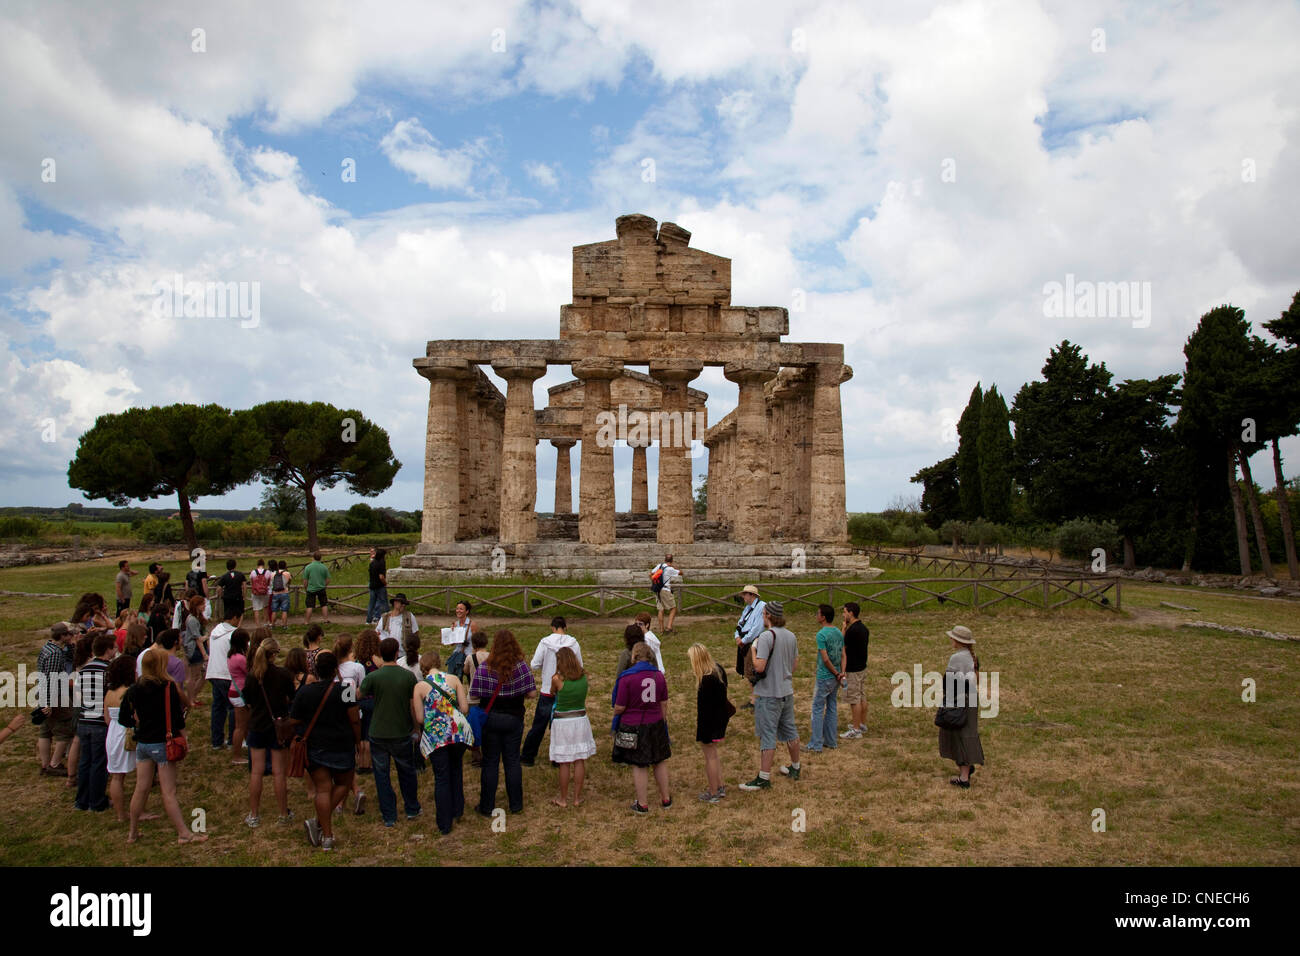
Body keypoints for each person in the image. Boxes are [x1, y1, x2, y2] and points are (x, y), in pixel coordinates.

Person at [118, 649, 208, 846]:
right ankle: (183, 833)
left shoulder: (134, 689)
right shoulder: (168, 688)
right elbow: (177, 718)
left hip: (143, 743)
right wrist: (184, 738)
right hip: (163, 743)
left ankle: (132, 832)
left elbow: (123, 717)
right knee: (169, 791)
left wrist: (136, 722)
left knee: (141, 789)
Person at [293, 652, 361, 852]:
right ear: (335, 671)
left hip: (316, 746)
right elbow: (354, 718)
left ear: (315, 670)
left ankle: (327, 835)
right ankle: (319, 824)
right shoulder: (345, 690)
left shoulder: (305, 692)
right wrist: (358, 741)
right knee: (344, 783)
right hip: (341, 743)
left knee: (323, 789)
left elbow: (295, 719)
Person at [469, 630, 536, 816]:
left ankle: (487, 806)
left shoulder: (485, 668)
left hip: (491, 718)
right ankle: (516, 804)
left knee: (490, 762)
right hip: (514, 718)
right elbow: (531, 693)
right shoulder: (521, 667)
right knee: (512, 761)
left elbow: (474, 694)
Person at [359, 637, 421, 827]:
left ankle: (389, 815)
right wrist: (416, 728)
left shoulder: (373, 677)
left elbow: (357, 695)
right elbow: (412, 706)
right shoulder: (407, 677)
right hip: (401, 730)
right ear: (397, 653)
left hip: (378, 731)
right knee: (406, 772)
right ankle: (411, 808)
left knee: (381, 775)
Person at [739, 601, 801, 790]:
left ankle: (763, 777)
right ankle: (795, 767)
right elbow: (794, 664)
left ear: (769, 616)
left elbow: (759, 666)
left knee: (767, 735)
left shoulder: (766, 637)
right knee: (790, 730)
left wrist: (753, 649)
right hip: (786, 691)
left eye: (764, 613)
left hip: (769, 694)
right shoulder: (791, 636)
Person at [412, 649, 472, 834]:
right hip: (457, 734)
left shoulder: (420, 687)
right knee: (456, 770)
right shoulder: (454, 680)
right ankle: (457, 809)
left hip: (437, 737)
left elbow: (420, 718)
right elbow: (464, 707)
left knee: (441, 777)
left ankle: (444, 823)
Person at [612, 642, 672, 814]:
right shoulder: (659, 676)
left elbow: (620, 706)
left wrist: (616, 714)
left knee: (639, 764)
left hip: (634, 724)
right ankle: (666, 798)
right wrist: (662, 722)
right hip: (656, 722)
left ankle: (642, 803)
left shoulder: (626, 677)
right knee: (659, 760)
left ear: (634, 656)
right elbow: (664, 703)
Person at [243, 637, 295, 827]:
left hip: (257, 725)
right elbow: (292, 696)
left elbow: (247, 700)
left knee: (256, 772)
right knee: (279, 772)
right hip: (277, 725)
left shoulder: (252, 676)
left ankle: (254, 814)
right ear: (273, 655)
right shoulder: (282, 675)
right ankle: (283, 813)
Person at [521, 616, 582, 767]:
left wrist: (546, 666)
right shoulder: (573, 643)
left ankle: (528, 756)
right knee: (561, 725)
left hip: (548, 688)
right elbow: (579, 665)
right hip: (565, 688)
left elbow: (535, 664)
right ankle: (558, 758)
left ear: (553, 627)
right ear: (565, 627)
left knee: (539, 725)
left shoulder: (545, 642)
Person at [549, 646, 595, 807]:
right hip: (580, 718)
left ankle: (563, 798)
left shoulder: (557, 679)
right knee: (579, 759)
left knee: (564, 761)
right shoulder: (583, 677)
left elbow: (552, 692)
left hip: (562, 721)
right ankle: (576, 797)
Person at [74, 631, 115, 812]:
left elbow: (79, 693)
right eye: (114, 648)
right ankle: (97, 801)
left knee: (85, 761)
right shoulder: (109, 671)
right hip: (100, 720)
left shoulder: (84, 670)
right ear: (108, 650)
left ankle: (82, 800)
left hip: (84, 719)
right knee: (99, 763)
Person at [939, 625, 984, 788]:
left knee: (959, 736)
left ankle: (964, 777)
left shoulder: (956, 658)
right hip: (971, 699)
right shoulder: (973, 657)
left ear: (957, 640)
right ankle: (966, 769)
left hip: (959, 700)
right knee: (968, 733)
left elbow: (947, 681)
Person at [688, 643, 732, 803]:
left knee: (710, 757)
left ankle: (713, 792)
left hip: (710, 724)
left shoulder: (705, 680)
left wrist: (702, 732)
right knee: (714, 755)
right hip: (720, 720)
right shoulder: (718, 670)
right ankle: (719, 786)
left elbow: (704, 710)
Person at [36, 622, 77, 778]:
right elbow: (51, 678)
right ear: (62, 636)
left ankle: (45, 765)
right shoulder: (55, 654)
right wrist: (49, 702)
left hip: (44, 693)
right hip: (55, 695)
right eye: (69, 634)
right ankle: (54, 764)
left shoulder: (49, 647)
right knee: (65, 729)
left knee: (45, 729)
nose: (71, 636)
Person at [333, 634, 367, 814]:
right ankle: (354, 792)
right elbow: (361, 690)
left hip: (335, 714)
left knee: (343, 760)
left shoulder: (333, 667)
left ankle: (347, 796)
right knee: (348, 759)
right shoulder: (357, 668)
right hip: (353, 713)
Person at [103, 654, 138, 822]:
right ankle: (138, 810)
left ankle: (120, 815)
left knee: (116, 776)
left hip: (112, 733)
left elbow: (106, 719)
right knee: (141, 775)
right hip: (128, 732)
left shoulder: (109, 692)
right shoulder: (130, 692)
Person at [807, 603, 845, 753]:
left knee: (817, 708)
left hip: (825, 676)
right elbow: (843, 655)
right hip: (836, 677)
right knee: (832, 707)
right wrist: (842, 673)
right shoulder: (838, 633)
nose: (816, 616)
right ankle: (831, 741)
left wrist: (835, 673)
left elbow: (825, 659)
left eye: (818, 613)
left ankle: (815, 744)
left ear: (823, 617)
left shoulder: (821, 635)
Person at [205, 607, 242, 750]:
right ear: (233, 618)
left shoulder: (215, 630)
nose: (239, 622)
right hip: (226, 674)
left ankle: (216, 740)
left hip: (214, 672)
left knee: (218, 708)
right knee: (233, 708)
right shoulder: (233, 634)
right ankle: (233, 740)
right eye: (238, 619)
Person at [733, 585, 766, 710]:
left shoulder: (761, 606)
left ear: (752, 595)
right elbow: (740, 623)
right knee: (748, 670)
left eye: (745, 594)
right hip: (744, 641)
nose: (743, 597)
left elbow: (757, 628)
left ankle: (756, 701)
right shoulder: (747, 608)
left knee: (753, 671)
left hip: (753, 642)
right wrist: (737, 636)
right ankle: (754, 700)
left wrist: (744, 640)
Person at [840, 603, 870, 738]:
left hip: (852, 668)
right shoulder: (864, 628)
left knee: (854, 699)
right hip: (862, 667)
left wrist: (843, 629)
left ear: (851, 613)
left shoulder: (852, 631)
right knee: (862, 696)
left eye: (844, 612)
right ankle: (862, 724)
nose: (843, 614)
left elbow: (841, 645)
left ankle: (856, 730)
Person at [354, 629, 381, 772]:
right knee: (369, 733)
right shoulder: (377, 660)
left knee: (360, 733)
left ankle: (360, 762)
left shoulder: (355, 659)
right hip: (373, 700)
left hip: (359, 699)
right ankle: (368, 763)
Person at [462, 629, 489, 767]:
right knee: (486, 725)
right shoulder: (490, 656)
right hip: (487, 696)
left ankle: (475, 753)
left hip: (473, 696)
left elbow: (465, 671)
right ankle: (488, 750)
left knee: (473, 726)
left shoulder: (470, 658)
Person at [227, 630, 251, 761]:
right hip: (240, 693)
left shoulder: (232, 655)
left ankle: (250, 747)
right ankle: (236, 756)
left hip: (234, 691)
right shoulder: (240, 658)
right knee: (241, 727)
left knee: (243, 725)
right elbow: (250, 671)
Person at [181, 595, 208, 707]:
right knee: (194, 676)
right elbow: (198, 639)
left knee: (203, 675)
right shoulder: (192, 620)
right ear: (196, 606)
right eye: (202, 604)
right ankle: (190, 700)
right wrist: (205, 654)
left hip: (199, 649)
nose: (204, 606)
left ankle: (193, 697)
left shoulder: (198, 617)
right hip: (194, 651)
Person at [650, 554, 681, 634]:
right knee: (673, 608)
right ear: (672, 561)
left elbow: (651, 574)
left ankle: (661, 630)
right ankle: (669, 627)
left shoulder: (659, 566)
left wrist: (655, 583)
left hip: (658, 589)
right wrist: (674, 567)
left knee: (661, 609)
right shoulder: (670, 569)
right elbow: (681, 573)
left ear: (665, 560)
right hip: (666, 590)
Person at [442, 600, 474, 677]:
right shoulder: (455, 624)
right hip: (457, 654)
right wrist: (450, 635)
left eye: (461, 609)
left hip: (469, 655)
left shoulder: (472, 625)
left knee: (470, 679)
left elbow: (477, 641)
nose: (458, 611)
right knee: (454, 678)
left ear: (467, 611)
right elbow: (452, 644)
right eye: (457, 609)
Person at [302, 551, 331, 625]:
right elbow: (328, 579)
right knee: (324, 604)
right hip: (321, 588)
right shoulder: (324, 567)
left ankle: (307, 621)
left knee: (309, 606)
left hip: (311, 589)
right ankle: (325, 620)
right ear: (321, 558)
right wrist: (324, 585)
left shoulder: (308, 567)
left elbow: (305, 580)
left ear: (313, 557)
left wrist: (306, 588)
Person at [366, 547, 389, 625]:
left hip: (372, 585)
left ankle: (368, 620)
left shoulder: (372, 562)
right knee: (384, 603)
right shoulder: (381, 562)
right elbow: (381, 576)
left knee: (371, 603)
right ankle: (387, 618)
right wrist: (385, 583)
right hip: (379, 586)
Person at [248, 558, 273, 627]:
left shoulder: (253, 572)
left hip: (255, 592)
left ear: (257, 564)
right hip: (265, 592)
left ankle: (257, 625)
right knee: (265, 607)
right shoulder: (267, 572)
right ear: (263, 564)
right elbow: (269, 583)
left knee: (256, 609)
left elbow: (251, 582)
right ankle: (265, 623)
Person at [270, 560, 292, 630]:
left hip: (275, 593)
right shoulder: (287, 573)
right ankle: (284, 626)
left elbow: (271, 583)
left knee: (274, 610)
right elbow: (289, 582)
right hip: (284, 593)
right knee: (284, 610)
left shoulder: (273, 574)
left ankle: (272, 625)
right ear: (285, 566)